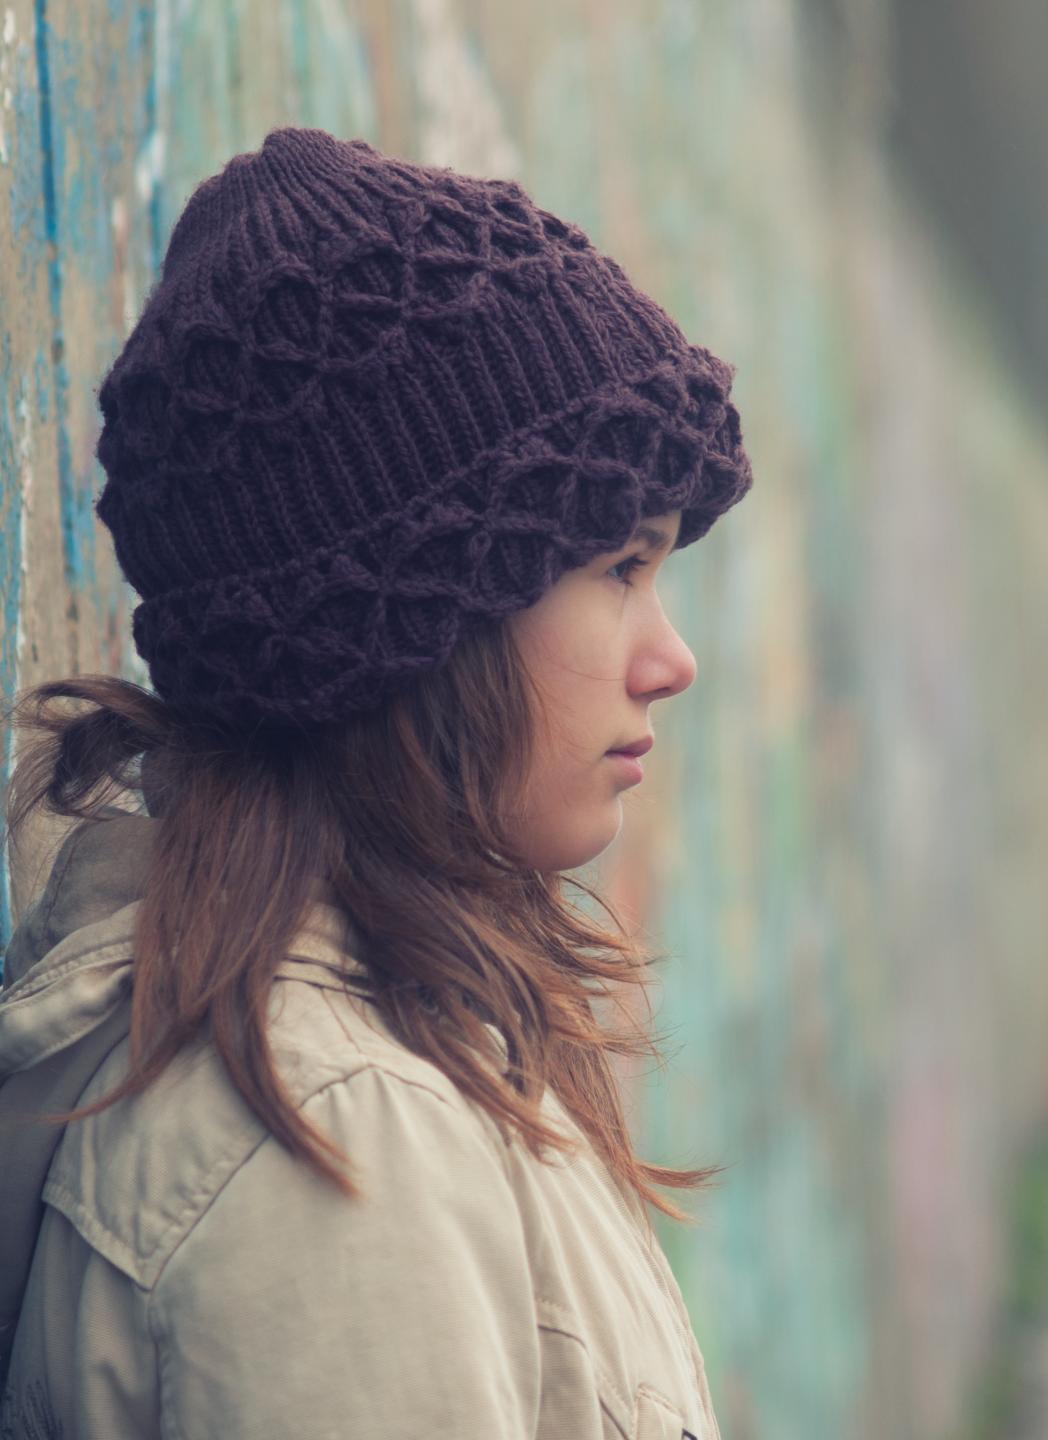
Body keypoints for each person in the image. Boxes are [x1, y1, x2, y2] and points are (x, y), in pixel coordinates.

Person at [0, 125, 752, 1438]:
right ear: (416, 620)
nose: (670, 659)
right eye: (618, 568)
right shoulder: (331, 1150)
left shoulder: (399, 1046)